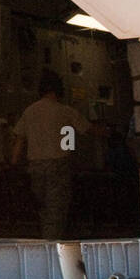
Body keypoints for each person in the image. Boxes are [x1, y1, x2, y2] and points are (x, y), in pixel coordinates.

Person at [10, 71, 91, 240]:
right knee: (56, 210)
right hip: (58, 165)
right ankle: (52, 246)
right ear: (58, 90)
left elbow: (19, 141)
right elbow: (85, 131)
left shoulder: (29, 111)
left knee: (43, 209)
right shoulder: (65, 111)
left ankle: (45, 242)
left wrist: (13, 166)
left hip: (35, 167)